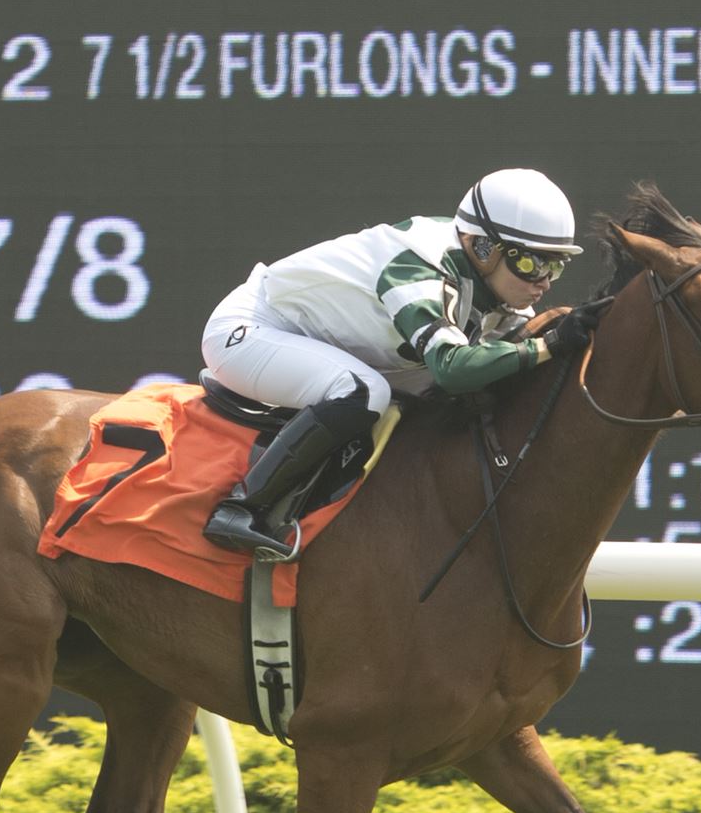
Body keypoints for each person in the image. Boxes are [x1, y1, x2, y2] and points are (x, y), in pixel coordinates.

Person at [200, 167, 605, 559]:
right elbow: (452, 368)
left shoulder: (489, 284)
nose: (544, 281)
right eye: (532, 263)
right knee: (365, 392)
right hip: (250, 330)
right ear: (483, 249)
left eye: (556, 266)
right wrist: (550, 344)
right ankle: (241, 508)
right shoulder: (416, 267)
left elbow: (507, 352)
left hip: (321, 343)